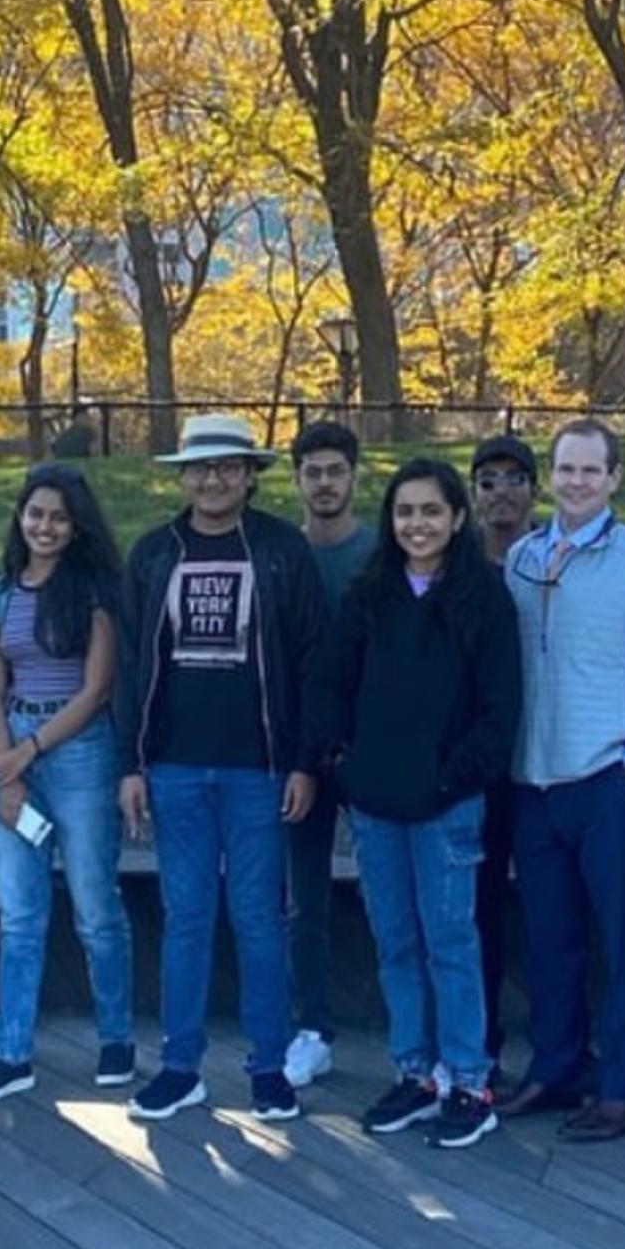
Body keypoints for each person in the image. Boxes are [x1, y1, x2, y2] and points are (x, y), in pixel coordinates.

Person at [114, 412, 325, 1124]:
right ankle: (180, 1066)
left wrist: (303, 761)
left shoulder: (280, 549)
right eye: (202, 467)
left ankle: (269, 1068)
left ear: (250, 474)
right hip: (173, 764)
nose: (214, 478)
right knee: (186, 918)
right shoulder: (153, 553)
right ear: (183, 475)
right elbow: (131, 666)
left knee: (261, 918)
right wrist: (131, 763)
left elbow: (309, 660)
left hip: (260, 767)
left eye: (229, 466)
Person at [307, 459, 520, 1150]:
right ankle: (415, 1072)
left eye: (432, 511)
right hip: (375, 804)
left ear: (458, 518)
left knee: (450, 943)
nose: (417, 525)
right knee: (395, 942)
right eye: (405, 512)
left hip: (446, 806)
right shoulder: (369, 594)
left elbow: (500, 709)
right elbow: (332, 685)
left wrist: (450, 778)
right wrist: (346, 766)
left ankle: (469, 1080)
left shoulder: (483, 597)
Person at [502, 419, 625, 1143]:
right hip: (534, 779)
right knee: (550, 937)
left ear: (614, 478)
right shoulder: (521, 558)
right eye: (565, 469)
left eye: (590, 470)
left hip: (604, 774)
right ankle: (556, 1067)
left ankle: (624, 1088)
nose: (576, 481)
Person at [0, 464, 135, 1103]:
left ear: (77, 525)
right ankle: (13, 1052)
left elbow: (96, 689)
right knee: (19, 912)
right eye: (35, 514)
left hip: (79, 754)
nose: (45, 526)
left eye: (58, 517)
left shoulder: (95, 592)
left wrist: (33, 749)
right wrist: (7, 763)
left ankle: (116, 1038)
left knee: (95, 906)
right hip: (12, 750)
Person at [285, 417, 368, 1088]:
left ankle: (415, 1038)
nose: (324, 482)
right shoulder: (284, 552)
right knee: (301, 894)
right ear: (297, 480)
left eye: (335, 470)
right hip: (299, 754)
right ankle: (311, 1026)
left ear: (354, 476)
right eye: (312, 471)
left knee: (394, 895)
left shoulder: (379, 550)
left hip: (372, 750)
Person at [467, 434, 537, 1076]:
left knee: (553, 910)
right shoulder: (456, 567)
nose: (501, 493)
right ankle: (478, 1045)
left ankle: (563, 1050)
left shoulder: (556, 560)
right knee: (477, 908)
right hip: (479, 772)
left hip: (548, 764)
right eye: (488, 481)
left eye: (515, 479)